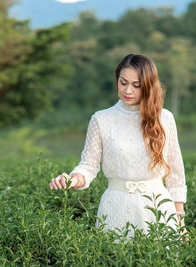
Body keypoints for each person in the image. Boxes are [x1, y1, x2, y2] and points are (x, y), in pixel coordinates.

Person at [49, 53, 188, 241]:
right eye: (123, 83)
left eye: (136, 85)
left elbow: (176, 174)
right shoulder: (101, 119)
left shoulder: (165, 118)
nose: (128, 90)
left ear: (148, 86)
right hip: (115, 207)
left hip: (159, 208)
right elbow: (89, 166)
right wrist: (73, 179)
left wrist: (180, 223)